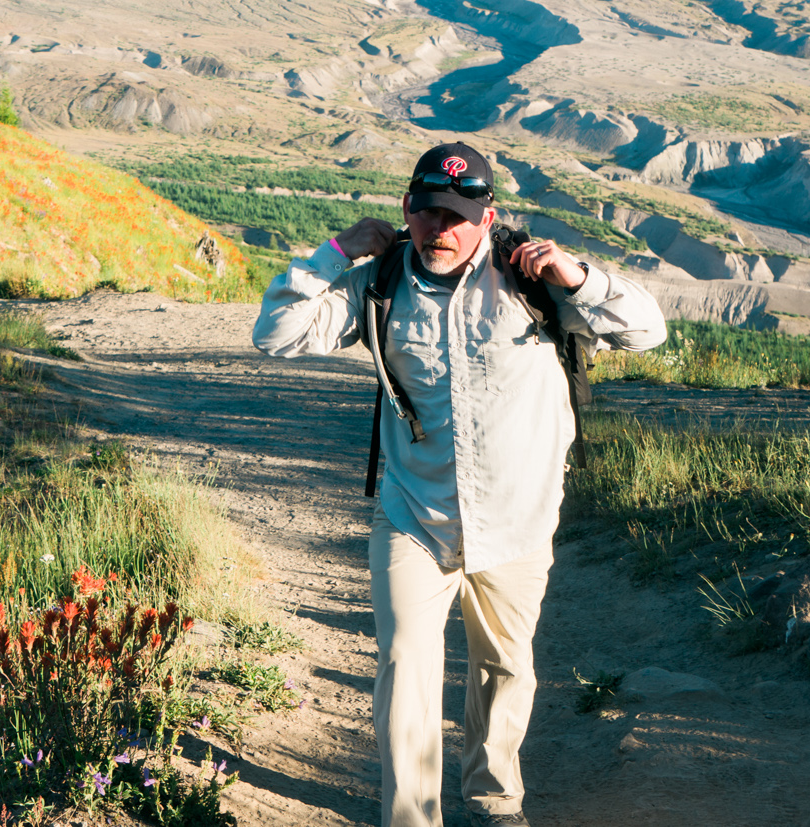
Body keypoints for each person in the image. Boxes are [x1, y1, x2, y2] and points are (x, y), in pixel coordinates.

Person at [252, 142, 666, 827]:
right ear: (405, 210)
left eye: (456, 214)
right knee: (405, 663)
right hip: (415, 514)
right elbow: (276, 332)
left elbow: (646, 329)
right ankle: (412, 817)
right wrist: (334, 251)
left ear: (488, 216)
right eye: (425, 210)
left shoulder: (530, 282)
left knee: (505, 669)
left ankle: (495, 800)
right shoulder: (380, 284)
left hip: (517, 519)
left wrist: (578, 274)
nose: (439, 228)